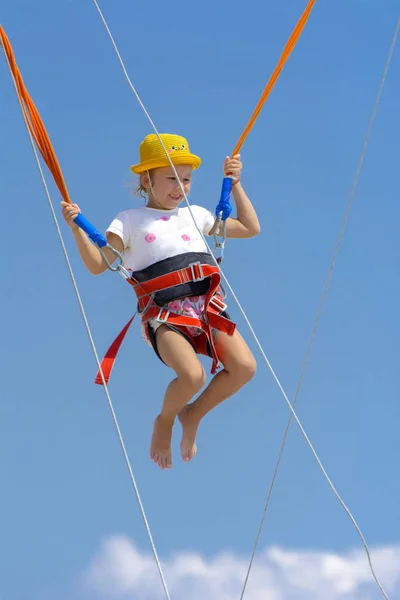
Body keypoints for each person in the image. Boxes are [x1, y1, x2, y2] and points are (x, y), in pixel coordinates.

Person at [61, 133, 260, 470]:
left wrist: (235, 184)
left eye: (186, 179)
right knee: (192, 376)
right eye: (171, 178)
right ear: (146, 179)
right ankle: (165, 420)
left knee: (244, 368)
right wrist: (76, 226)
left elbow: (250, 227)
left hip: (207, 309)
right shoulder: (129, 220)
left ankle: (192, 414)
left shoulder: (196, 215)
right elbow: (98, 264)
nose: (179, 187)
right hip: (165, 315)